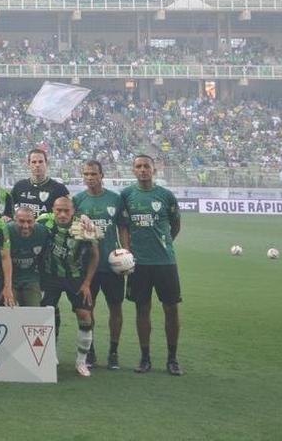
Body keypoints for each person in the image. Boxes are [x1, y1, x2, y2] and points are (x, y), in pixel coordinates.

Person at [119, 154, 183, 376]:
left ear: (154, 170)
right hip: (139, 264)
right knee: (142, 309)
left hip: (165, 262)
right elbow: (124, 226)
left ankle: (172, 359)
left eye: (147, 166)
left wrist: (164, 244)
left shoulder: (165, 195)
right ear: (133, 170)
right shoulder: (127, 195)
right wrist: (127, 252)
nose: (143, 170)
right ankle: (145, 357)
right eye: (139, 166)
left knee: (171, 309)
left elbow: (175, 225)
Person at [72, 159, 128, 370]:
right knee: (88, 309)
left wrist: (126, 252)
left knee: (116, 308)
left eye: (94, 174)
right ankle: (90, 350)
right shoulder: (78, 200)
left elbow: (122, 227)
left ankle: (113, 352)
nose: (90, 178)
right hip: (88, 268)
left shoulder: (115, 199)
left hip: (112, 264)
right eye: (86, 174)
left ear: (102, 175)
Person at [41, 196, 99, 378]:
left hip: (75, 277)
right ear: (53, 210)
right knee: (47, 314)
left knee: (85, 316)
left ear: (73, 212)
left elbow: (95, 255)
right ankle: (51, 355)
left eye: (67, 210)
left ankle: (81, 362)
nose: (62, 214)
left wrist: (87, 282)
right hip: (50, 277)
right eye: (58, 210)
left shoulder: (82, 226)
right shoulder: (44, 222)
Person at [7, 206, 50, 307]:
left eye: (29, 221)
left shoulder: (43, 232)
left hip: (31, 278)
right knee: (8, 309)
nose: (25, 225)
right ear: (14, 220)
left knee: (35, 310)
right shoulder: (7, 230)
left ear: (35, 221)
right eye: (21, 221)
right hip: (11, 278)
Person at [11, 148, 70, 218]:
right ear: (28, 164)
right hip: (24, 227)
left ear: (47, 163)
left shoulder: (59, 189)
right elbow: (8, 209)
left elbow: (68, 213)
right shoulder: (19, 186)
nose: (37, 165)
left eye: (40, 161)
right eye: (34, 162)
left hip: (48, 229)